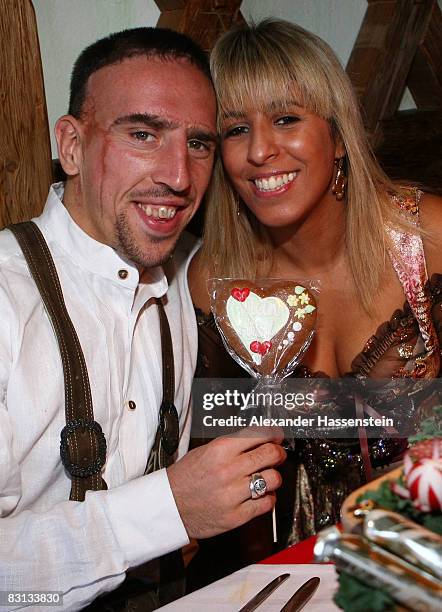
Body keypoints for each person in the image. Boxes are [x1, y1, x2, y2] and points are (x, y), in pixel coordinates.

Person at [0, 27, 286, 611]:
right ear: (72, 146)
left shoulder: (193, 278)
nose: (179, 176)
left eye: (199, 144)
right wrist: (168, 511)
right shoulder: (7, 300)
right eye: (143, 134)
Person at [188, 18, 442, 583]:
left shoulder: (427, 241)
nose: (259, 151)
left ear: (337, 134)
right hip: (287, 579)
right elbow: (215, 469)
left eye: (285, 119)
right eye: (234, 130)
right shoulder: (214, 281)